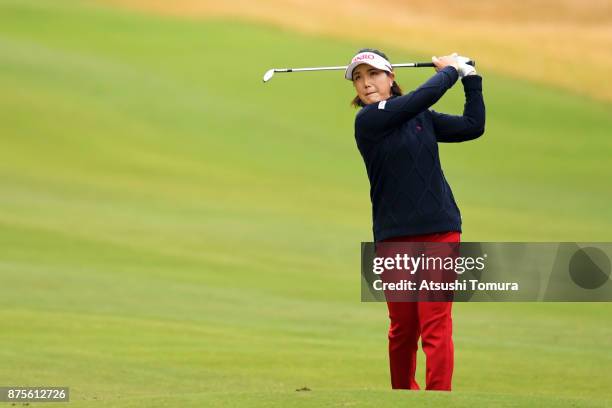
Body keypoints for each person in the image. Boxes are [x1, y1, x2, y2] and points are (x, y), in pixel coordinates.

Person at [346, 48, 486, 391]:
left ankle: (437, 398)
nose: (366, 84)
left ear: (391, 77)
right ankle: (403, 397)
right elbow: (421, 97)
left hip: (441, 230)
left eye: (373, 74)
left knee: (435, 323)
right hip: (394, 239)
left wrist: (471, 80)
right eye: (358, 78)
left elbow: (473, 126)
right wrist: (450, 70)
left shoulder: (420, 116)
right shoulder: (368, 121)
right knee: (403, 329)